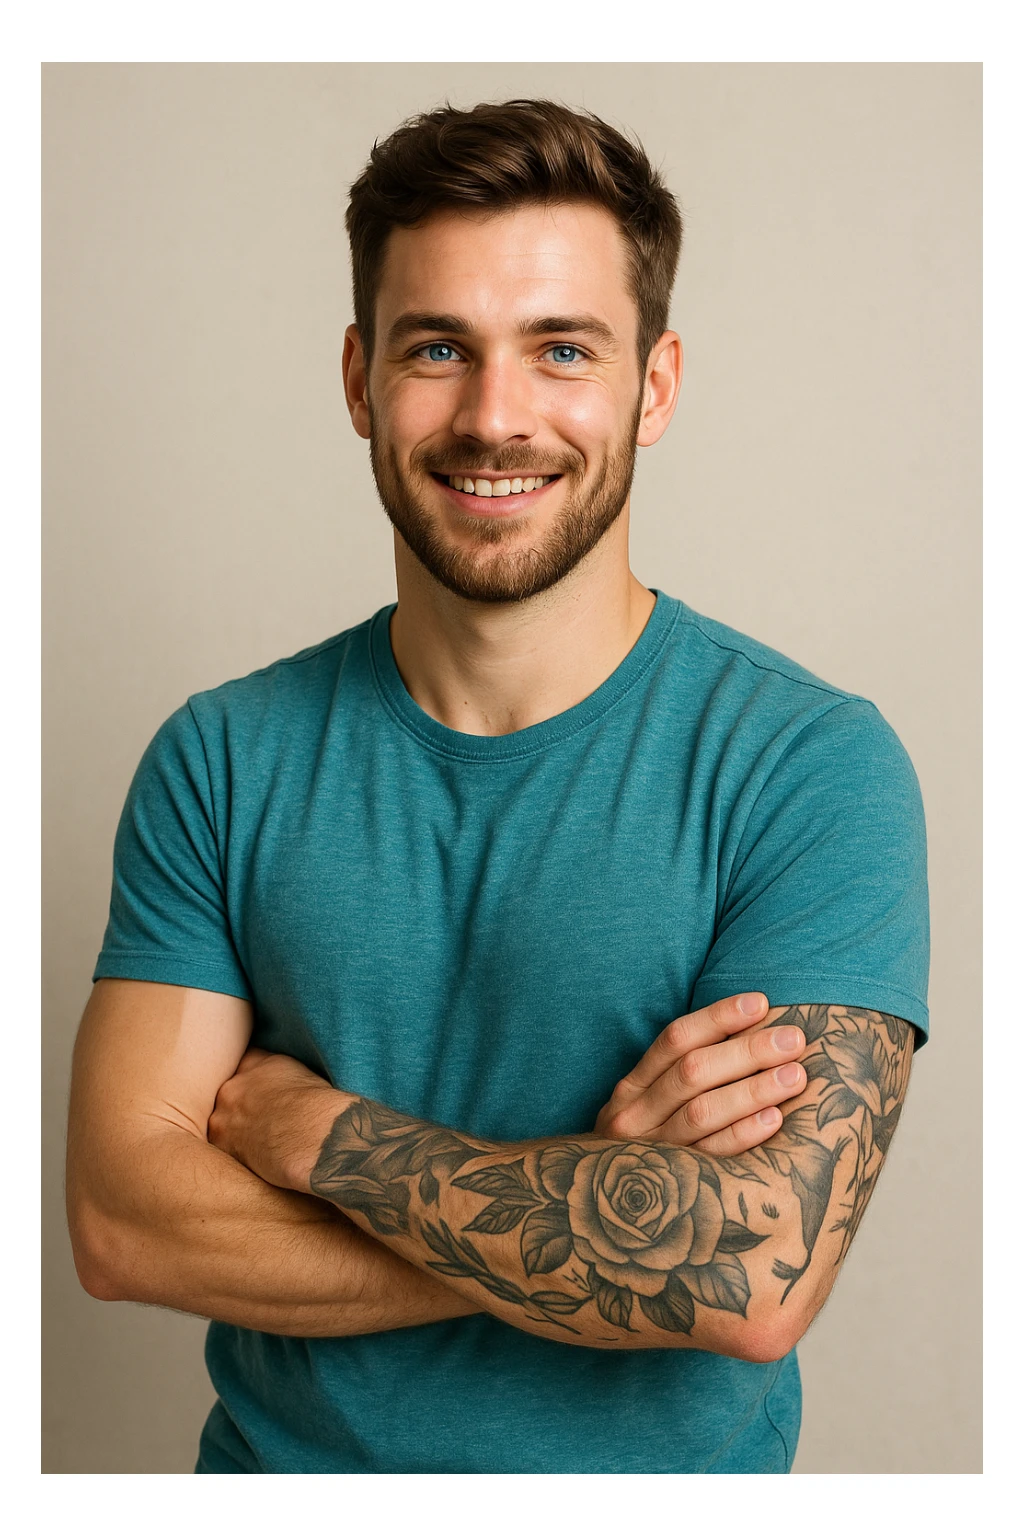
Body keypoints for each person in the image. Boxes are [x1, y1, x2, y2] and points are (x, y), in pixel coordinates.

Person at [66, 98, 929, 1475]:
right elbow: (124, 1225)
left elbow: (754, 1277)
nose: (494, 417)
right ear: (359, 380)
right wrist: (604, 1202)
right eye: (437, 350)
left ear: (655, 385)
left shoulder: (808, 765)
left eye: (562, 349)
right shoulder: (221, 759)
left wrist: (325, 1139)